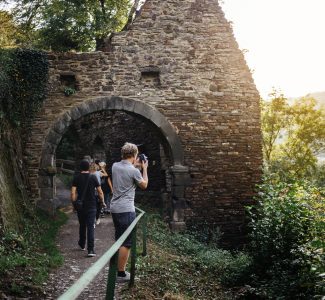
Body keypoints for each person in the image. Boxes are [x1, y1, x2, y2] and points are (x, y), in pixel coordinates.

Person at [110, 142, 148, 282]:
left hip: (115, 208)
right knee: (126, 242)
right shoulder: (134, 171)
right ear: (135, 155)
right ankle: (120, 274)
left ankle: (116, 267)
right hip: (126, 209)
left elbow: (126, 169)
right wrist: (144, 169)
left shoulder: (115, 166)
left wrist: (136, 165)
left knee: (119, 238)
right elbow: (144, 184)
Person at [71, 160, 106, 257]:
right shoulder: (93, 177)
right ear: (88, 168)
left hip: (80, 206)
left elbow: (73, 193)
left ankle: (82, 244)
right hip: (92, 206)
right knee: (90, 227)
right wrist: (102, 202)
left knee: (82, 225)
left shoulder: (76, 178)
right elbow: (100, 192)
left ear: (81, 168)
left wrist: (74, 205)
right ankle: (91, 250)